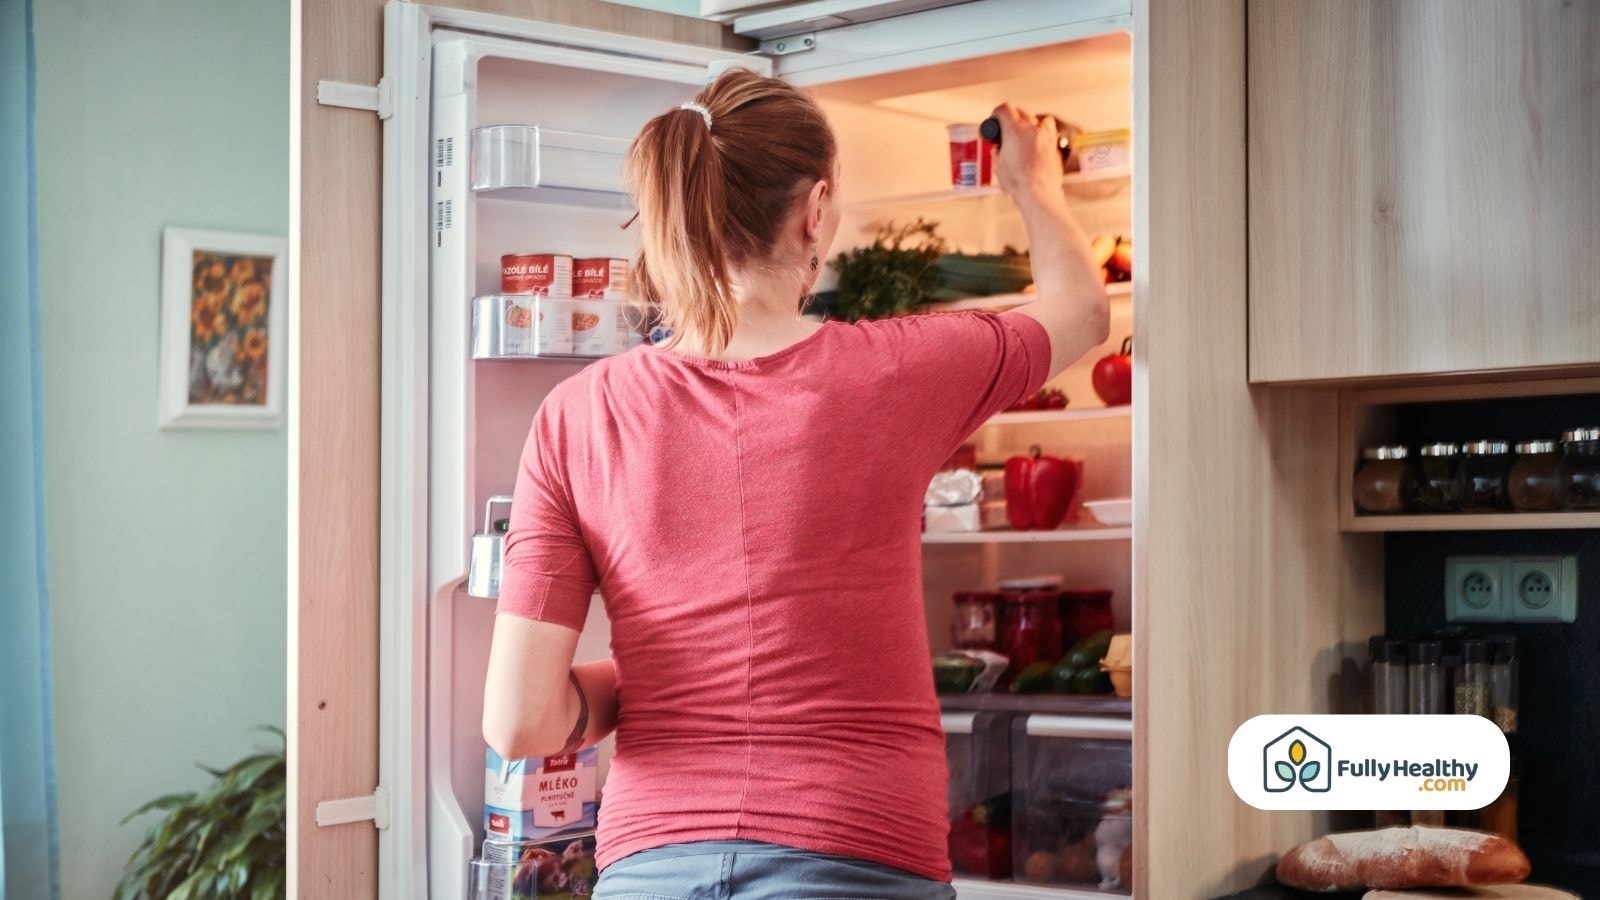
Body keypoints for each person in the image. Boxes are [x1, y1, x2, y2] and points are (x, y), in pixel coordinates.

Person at [482, 68, 1109, 898]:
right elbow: (1081, 309)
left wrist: (668, 673)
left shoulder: (575, 415)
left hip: (652, 867)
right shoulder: (892, 371)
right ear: (814, 210)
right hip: (857, 848)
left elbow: (519, 720)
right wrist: (1033, 183)